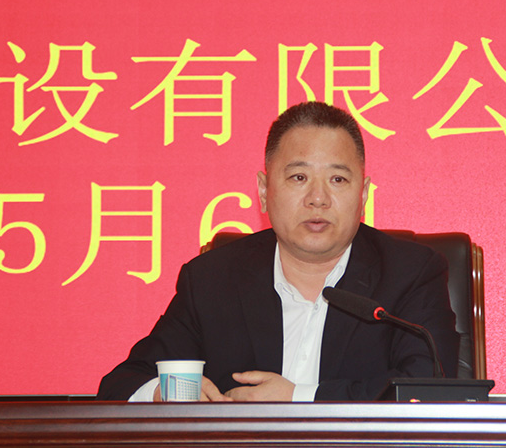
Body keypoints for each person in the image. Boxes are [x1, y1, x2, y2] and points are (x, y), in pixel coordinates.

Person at [96, 102, 459, 402]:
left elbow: (426, 389)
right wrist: (163, 393)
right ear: (264, 191)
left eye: (338, 179)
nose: (318, 198)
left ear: (362, 195)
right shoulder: (211, 280)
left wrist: (298, 397)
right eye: (299, 177)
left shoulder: (411, 273)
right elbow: (121, 385)